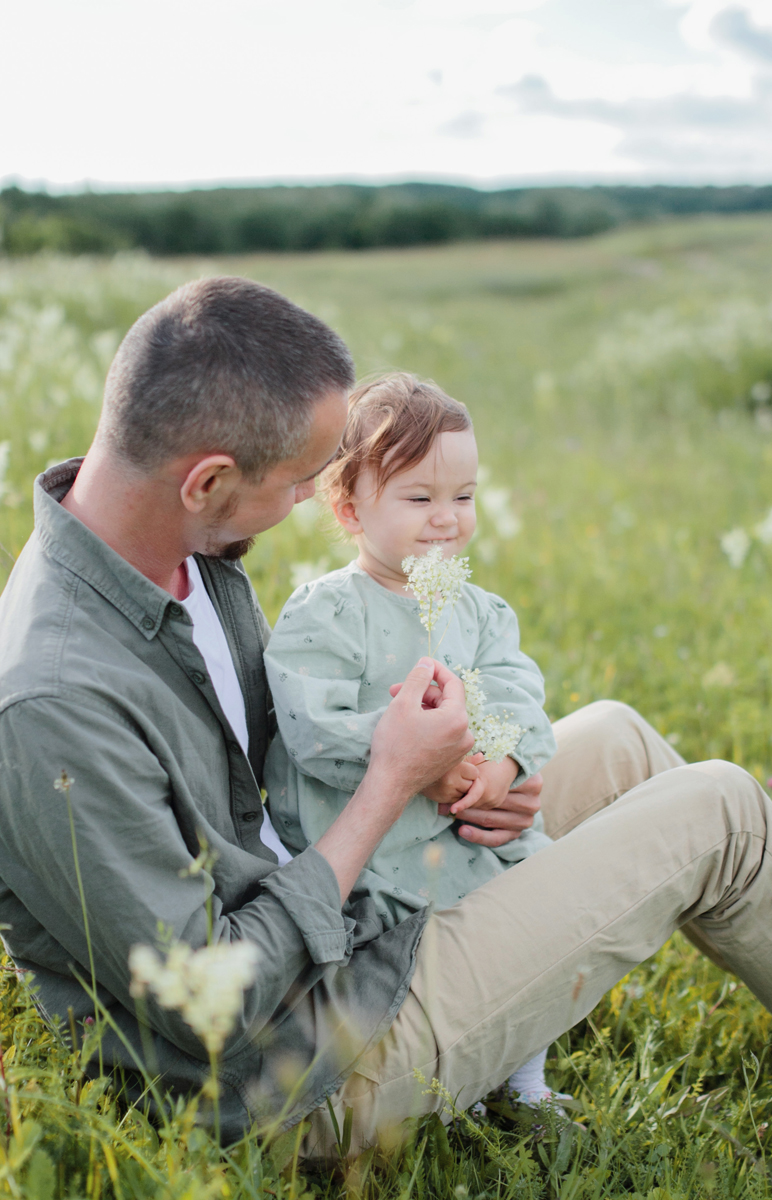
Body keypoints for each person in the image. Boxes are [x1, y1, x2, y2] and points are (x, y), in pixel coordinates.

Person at [1, 277, 772, 1162]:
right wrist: (392, 782)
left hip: (355, 899)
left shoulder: (176, 550)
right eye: (303, 479)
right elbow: (211, 1008)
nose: (313, 497)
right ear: (209, 481)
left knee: (611, 733)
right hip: (305, 1063)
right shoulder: (55, 702)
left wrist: (482, 770)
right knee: (722, 807)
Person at [264, 372, 557, 1106]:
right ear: (349, 505)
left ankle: (525, 1078)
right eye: (420, 498)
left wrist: (505, 759)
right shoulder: (326, 612)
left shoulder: (478, 610)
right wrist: (416, 755)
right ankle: (451, 1078)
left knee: (535, 918)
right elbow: (309, 721)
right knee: (425, 956)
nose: (447, 519)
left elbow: (516, 687)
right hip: (383, 862)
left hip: (468, 834)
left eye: (464, 497)